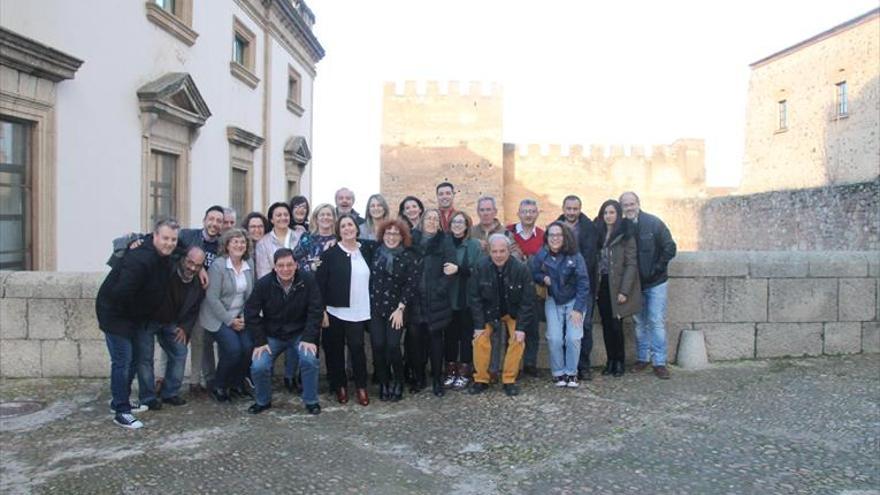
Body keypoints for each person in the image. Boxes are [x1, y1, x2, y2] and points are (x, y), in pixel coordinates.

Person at [96, 218, 179, 429]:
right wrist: (137, 317)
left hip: (133, 316)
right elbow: (121, 294)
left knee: (133, 360)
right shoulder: (140, 259)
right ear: (155, 236)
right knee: (122, 361)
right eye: (165, 238)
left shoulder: (159, 252)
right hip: (116, 314)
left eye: (173, 239)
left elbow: (186, 245)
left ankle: (120, 400)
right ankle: (121, 411)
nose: (169, 243)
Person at [246, 248, 323, 415]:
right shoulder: (264, 284)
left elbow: (316, 310)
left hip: (300, 334)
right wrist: (260, 341)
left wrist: (309, 338)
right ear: (274, 267)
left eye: (289, 265)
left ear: (296, 265)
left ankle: (311, 400)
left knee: (309, 360)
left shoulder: (308, 280)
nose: (285, 269)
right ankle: (262, 400)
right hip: (273, 335)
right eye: (281, 265)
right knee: (259, 365)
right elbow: (251, 313)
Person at [316, 214, 375, 406]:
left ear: (356, 228)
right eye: (343, 226)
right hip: (335, 310)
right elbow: (320, 285)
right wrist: (322, 310)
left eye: (350, 225)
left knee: (357, 349)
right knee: (335, 351)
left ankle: (361, 387)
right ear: (338, 231)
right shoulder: (330, 254)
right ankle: (339, 386)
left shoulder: (367, 249)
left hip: (359, 311)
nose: (348, 229)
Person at [137, 246, 206, 408]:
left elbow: (194, 309)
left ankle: (170, 393)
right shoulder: (167, 267)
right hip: (148, 319)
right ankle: (148, 397)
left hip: (171, 323)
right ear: (183, 258)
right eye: (190, 262)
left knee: (180, 351)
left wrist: (185, 328)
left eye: (198, 265)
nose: (192, 268)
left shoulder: (198, 283)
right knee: (145, 359)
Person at [468, 234, 536, 397]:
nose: (498, 255)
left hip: (512, 312)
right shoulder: (480, 267)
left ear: (508, 251)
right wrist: (478, 326)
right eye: (494, 251)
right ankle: (481, 379)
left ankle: (509, 379)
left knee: (518, 340)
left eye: (502, 251)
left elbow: (528, 301)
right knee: (480, 340)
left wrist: (521, 328)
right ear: (489, 252)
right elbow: (474, 298)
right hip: (489, 312)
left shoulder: (521, 269)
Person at [619, 191, 677, 379]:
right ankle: (643, 358)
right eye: (625, 205)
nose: (629, 207)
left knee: (656, 321)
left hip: (656, 282)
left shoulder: (653, 223)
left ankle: (659, 362)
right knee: (639, 323)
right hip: (634, 285)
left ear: (638, 203)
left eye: (631, 203)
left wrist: (657, 268)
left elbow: (670, 247)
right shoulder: (622, 227)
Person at [197, 228, 255, 401]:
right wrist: (230, 321)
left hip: (240, 316)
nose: (239, 245)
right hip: (217, 317)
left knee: (248, 347)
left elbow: (251, 295)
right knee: (233, 349)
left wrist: (244, 316)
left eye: (242, 242)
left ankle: (236, 383)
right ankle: (219, 386)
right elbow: (212, 298)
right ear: (227, 245)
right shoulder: (219, 265)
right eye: (235, 241)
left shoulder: (249, 263)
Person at [530, 222, 589, 388]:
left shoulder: (575, 256)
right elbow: (534, 272)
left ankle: (572, 372)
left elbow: (584, 283)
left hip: (574, 301)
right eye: (552, 235)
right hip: (553, 300)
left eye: (559, 235)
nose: (555, 238)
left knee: (573, 337)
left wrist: (578, 309)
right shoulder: (542, 254)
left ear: (565, 237)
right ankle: (558, 372)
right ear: (547, 238)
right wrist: (543, 278)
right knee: (554, 338)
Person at [368, 219, 419, 401]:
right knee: (378, 346)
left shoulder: (407, 256)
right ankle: (384, 382)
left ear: (402, 236)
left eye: (395, 233)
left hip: (396, 310)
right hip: (376, 308)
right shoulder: (375, 253)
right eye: (388, 233)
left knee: (393, 346)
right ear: (383, 235)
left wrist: (401, 308)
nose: (391, 237)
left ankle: (398, 381)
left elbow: (410, 285)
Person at [409, 208, 457, 396]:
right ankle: (419, 378)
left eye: (435, 219)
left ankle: (438, 380)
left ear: (439, 222)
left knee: (436, 341)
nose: (431, 221)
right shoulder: (412, 239)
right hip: (415, 299)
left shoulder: (445, 241)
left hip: (436, 299)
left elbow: (450, 268)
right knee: (415, 341)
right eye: (428, 218)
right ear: (422, 220)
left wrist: (440, 288)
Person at [594, 200, 641, 378]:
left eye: (612, 212)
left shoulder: (626, 234)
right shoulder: (599, 233)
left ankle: (619, 361)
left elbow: (631, 264)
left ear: (618, 214)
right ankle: (610, 361)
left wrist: (624, 291)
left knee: (616, 324)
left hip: (617, 285)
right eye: (605, 213)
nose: (608, 216)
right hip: (602, 284)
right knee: (606, 324)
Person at [557, 195, 599, 381]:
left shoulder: (590, 228)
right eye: (569, 209)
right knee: (565, 327)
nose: (572, 212)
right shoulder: (555, 227)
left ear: (580, 209)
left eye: (575, 209)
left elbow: (590, 258)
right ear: (563, 208)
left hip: (584, 285)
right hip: (562, 286)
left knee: (585, 326)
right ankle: (568, 366)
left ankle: (584, 365)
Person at [506, 198, 545, 377]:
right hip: (511, 289)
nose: (528, 215)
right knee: (512, 330)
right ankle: (512, 366)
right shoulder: (509, 233)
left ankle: (530, 364)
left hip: (534, 289)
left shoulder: (544, 236)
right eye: (525, 211)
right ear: (519, 214)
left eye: (531, 211)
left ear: (537, 214)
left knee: (533, 330)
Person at [444, 211, 483, 389]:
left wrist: (459, 269)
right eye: (454, 221)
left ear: (467, 225)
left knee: (466, 336)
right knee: (450, 336)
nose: (457, 225)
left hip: (467, 297)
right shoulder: (444, 243)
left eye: (461, 222)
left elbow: (479, 269)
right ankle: (451, 370)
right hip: (447, 298)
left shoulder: (474, 245)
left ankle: (465, 371)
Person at [255, 202, 300, 279]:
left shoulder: (300, 237)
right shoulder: (263, 243)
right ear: (272, 220)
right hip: (273, 287)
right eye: (279, 215)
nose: (283, 218)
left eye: (286, 215)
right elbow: (263, 272)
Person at [293, 203, 337, 273]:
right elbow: (296, 260)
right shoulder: (307, 238)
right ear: (316, 219)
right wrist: (312, 266)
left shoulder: (339, 239)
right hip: (310, 280)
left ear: (334, 218)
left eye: (329, 215)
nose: (325, 217)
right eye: (322, 215)